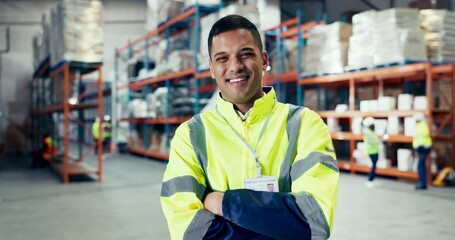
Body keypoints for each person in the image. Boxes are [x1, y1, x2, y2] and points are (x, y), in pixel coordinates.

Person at [160, 15, 339, 239]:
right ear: (212, 68)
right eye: (222, 58)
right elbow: (188, 230)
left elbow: (314, 222)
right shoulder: (191, 135)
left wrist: (222, 202)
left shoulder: (305, 124)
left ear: (263, 60)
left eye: (245, 54)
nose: (235, 66)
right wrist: (277, 221)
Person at [413, 112, 432, 190]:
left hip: (423, 149)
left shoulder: (422, 126)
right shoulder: (420, 125)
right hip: (422, 148)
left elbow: (421, 138)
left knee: (420, 166)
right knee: (421, 166)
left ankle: (423, 184)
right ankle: (422, 183)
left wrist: (419, 148)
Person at [362, 117, 381, 188]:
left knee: (374, 166)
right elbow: (372, 142)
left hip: (375, 151)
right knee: (373, 166)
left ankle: (372, 179)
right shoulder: (368, 133)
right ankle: (369, 180)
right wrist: (381, 140)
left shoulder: (371, 132)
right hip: (372, 152)